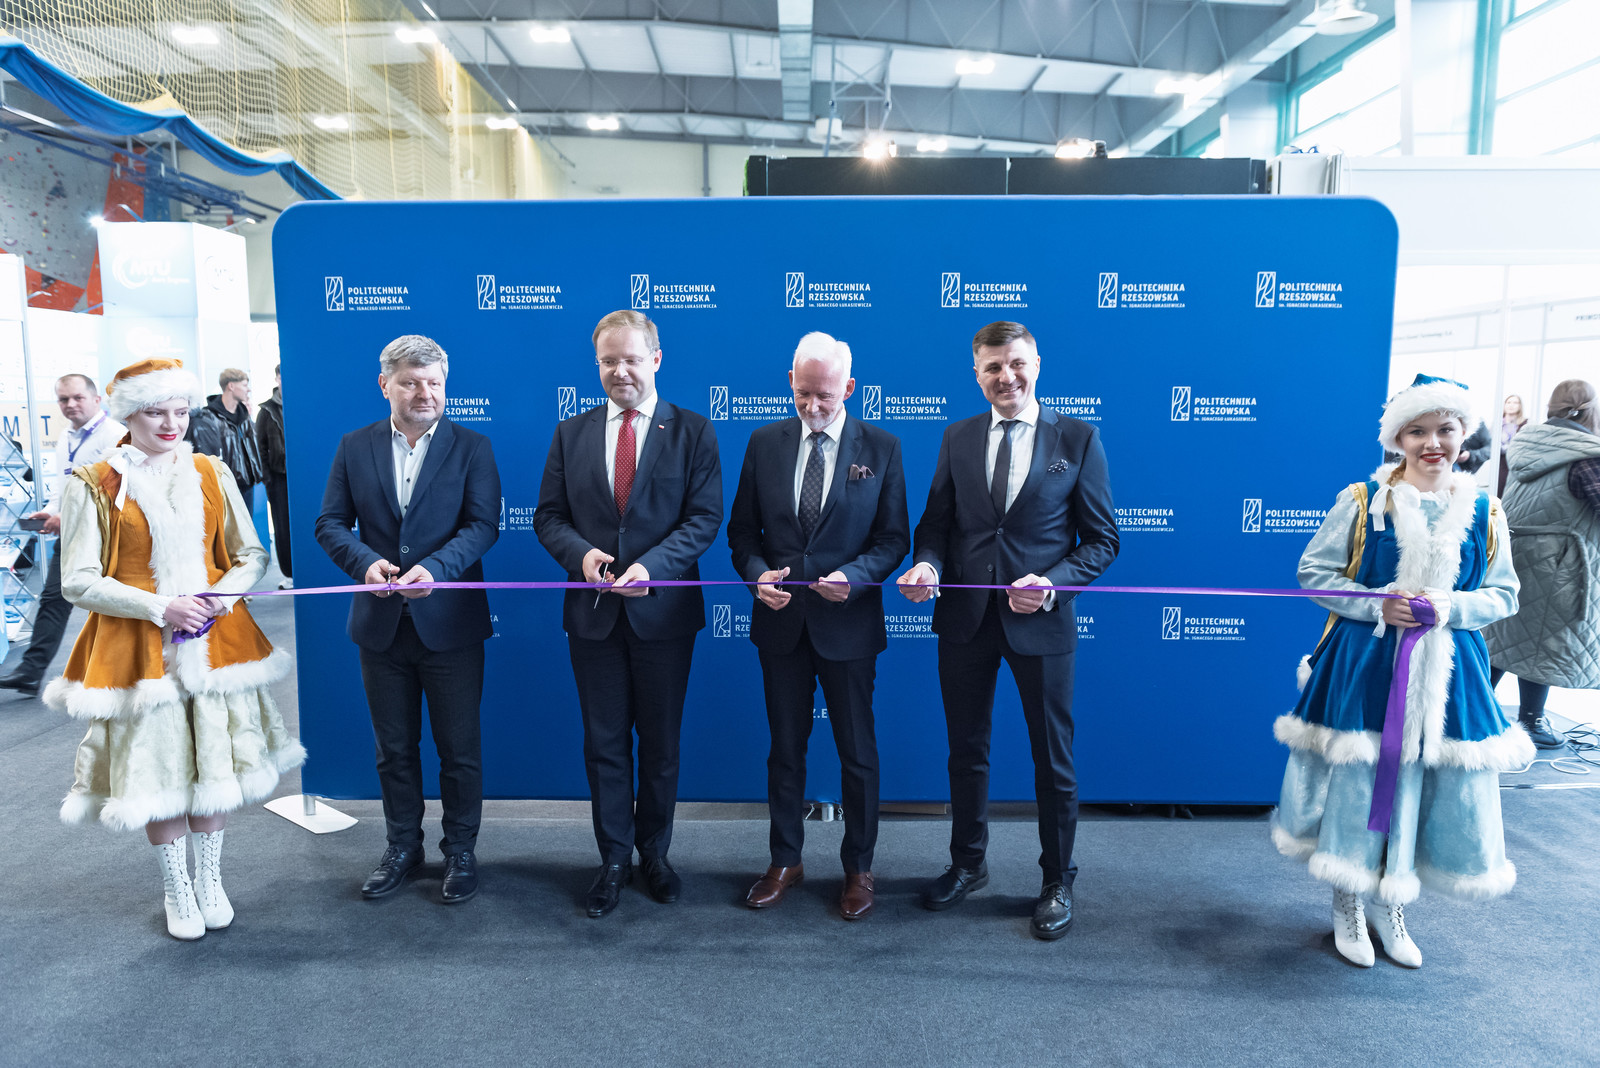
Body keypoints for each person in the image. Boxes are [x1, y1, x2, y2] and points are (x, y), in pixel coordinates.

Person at [1272, 373, 1531, 970]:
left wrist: (1451, 607)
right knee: (1360, 779)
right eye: (1417, 431)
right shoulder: (1363, 501)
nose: (1432, 443)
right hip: (1366, 664)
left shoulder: (1486, 509)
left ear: (1463, 435)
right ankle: (1348, 898)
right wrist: (1375, 603)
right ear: (1398, 438)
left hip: (1448, 670)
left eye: (1445, 429)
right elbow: (1315, 571)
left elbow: (1504, 594)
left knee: (1422, 784)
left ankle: (1392, 905)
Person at [46, 358, 302, 941]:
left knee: (214, 762)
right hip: (139, 650)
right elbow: (78, 581)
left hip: (214, 644)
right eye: (155, 413)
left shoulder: (211, 471)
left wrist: (219, 597)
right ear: (127, 416)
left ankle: (209, 879)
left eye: (180, 412)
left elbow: (250, 556)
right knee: (155, 770)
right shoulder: (94, 482)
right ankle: (176, 886)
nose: (171, 424)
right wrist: (162, 607)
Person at [895, 320, 1118, 941]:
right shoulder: (958, 436)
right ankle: (968, 864)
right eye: (992, 367)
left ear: (1036, 364)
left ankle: (1057, 880)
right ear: (976, 375)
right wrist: (927, 564)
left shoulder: (1078, 438)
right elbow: (936, 524)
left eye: (1016, 363)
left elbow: (1102, 541)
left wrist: (1053, 583)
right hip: (965, 620)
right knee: (966, 751)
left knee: (1053, 758)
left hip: (1040, 624)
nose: (1006, 376)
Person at [534, 310, 722, 919]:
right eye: (608, 361)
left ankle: (655, 855)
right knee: (605, 744)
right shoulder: (571, 432)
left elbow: (704, 518)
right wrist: (581, 555)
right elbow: (548, 517)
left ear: (656, 360)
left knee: (661, 744)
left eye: (631, 359)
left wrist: (653, 567)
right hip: (593, 616)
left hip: (663, 616)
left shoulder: (693, 430)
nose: (620, 371)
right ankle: (614, 859)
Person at [727, 332, 909, 920]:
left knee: (857, 753)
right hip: (780, 624)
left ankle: (859, 868)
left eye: (824, 396)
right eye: (803, 393)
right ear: (790, 382)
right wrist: (756, 576)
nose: (812, 406)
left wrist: (855, 577)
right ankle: (786, 860)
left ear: (849, 388)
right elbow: (741, 534)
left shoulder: (882, 447)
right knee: (785, 750)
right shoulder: (764, 443)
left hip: (849, 626)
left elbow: (893, 540)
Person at [314, 335, 501, 905]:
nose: (425, 393)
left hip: (451, 626)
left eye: (434, 383)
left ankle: (460, 851)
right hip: (380, 627)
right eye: (411, 383)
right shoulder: (354, 446)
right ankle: (402, 847)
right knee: (393, 749)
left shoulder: (473, 447)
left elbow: (483, 526)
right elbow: (330, 523)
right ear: (385, 385)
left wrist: (437, 569)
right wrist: (364, 563)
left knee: (459, 750)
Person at [1484, 379, 1600, 750]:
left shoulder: (1528, 445)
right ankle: (1531, 719)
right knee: (1540, 642)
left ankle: (1472, 709)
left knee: (1507, 637)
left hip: (1515, 555)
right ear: (1589, 412)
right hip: (1559, 565)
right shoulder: (1585, 456)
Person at [1, 374, 124, 698]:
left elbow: (111, 493)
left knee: (114, 602)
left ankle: (123, 673)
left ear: (96, 400)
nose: (70, 404)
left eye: (77, 398)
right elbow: (65, 487)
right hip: (72, 535)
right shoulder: (67, 436)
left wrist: (63, 517)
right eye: (63, 399)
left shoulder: (114, 436)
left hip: (108, 537)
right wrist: (50, 511)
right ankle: (30, 671)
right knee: (54, 599)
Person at [187, 367, 264, 503]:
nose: (248, 390)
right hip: (225, 489)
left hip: (247, 486)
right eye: (244, 385)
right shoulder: (208, 418)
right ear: (231, 386)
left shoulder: (245, 417)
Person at [255, 363, 292, 587]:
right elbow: (260, 449)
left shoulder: (300, 404)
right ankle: (289, 574)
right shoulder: (266, 411)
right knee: (282, 527)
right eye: (281, 377)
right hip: (279, 478)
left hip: (301, 479)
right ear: (277, 379)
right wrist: (268, 479)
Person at [1498, 394, 1530, 495]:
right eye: (1508, 402)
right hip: (1500, 464)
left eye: (1515, 403)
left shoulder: (1525, 424)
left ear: (1520, 406)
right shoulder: (1497, 423)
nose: (1511, 405)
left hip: (1517, 464)